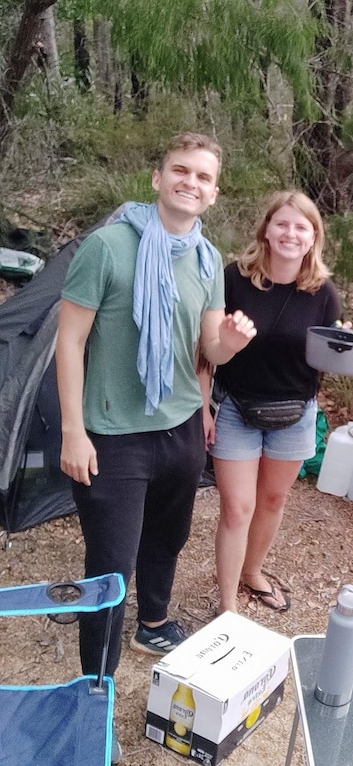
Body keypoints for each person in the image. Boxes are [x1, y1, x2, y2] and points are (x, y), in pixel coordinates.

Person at [56, 134, 257, 707]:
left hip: (181, 429)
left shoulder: (206, 258)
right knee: (111, 570)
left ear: (214, 194)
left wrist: (233, 342)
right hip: (113, 436)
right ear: (158, 177)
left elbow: (208, 351)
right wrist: (74, 430)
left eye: (203, 177)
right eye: (181, 170)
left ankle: (153, 624)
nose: (190, 182)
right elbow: (69, 342)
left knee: (167, 538)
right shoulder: (108, 247)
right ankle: (95, 691)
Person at [208, 191, 341, 614]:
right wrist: (203, 409)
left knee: (271, 502)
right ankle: (228, 606)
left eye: (302, 226)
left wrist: (342, 345)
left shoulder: (323, 293)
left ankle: (253, 572)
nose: (291, 233)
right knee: (237, 507)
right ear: (266, 230)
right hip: (235, 407)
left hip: (295, 412)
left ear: (313, 237)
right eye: (282, 223)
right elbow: (208, 347)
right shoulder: (233, 279)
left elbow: (326, 360)